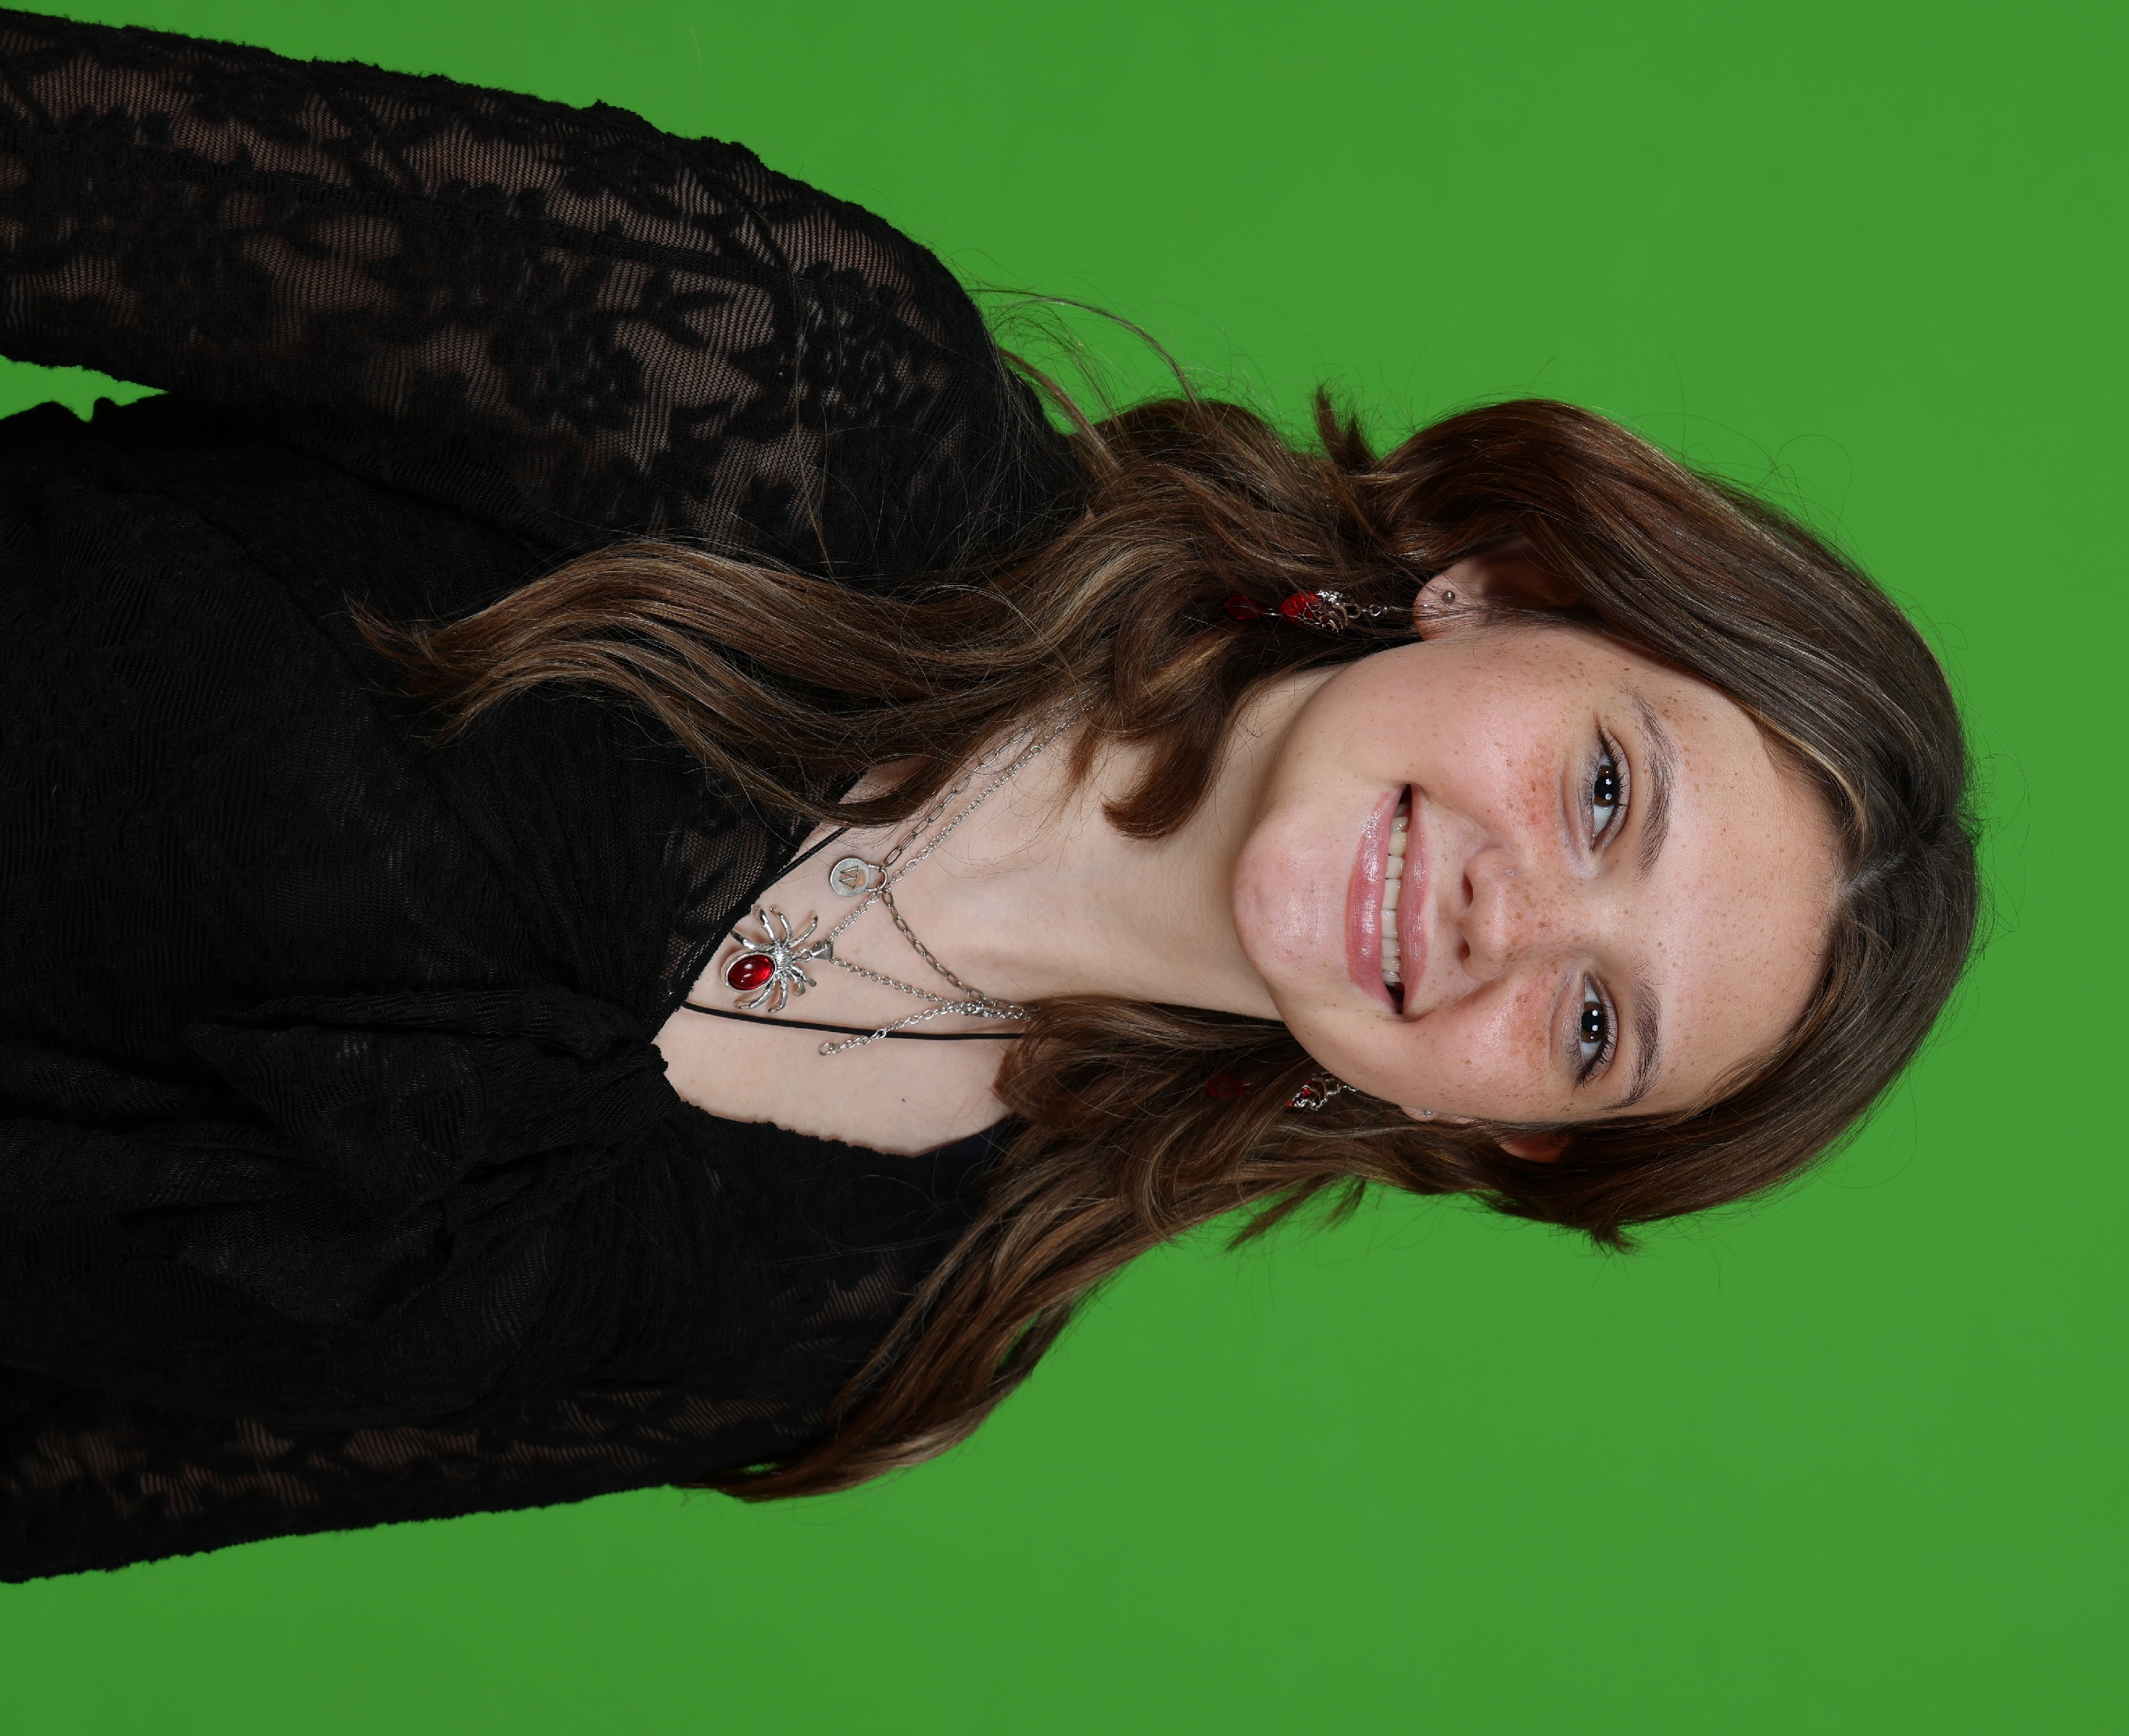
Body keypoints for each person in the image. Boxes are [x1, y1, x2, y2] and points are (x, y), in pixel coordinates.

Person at [0, 7, 1977, 1582]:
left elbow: (63, 1478)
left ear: (1506, 1131)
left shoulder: (888, 1322)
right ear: (1504, 583)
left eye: (1595, 1024)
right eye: (1607, 793)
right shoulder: (807, 391)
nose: (1511, 921)